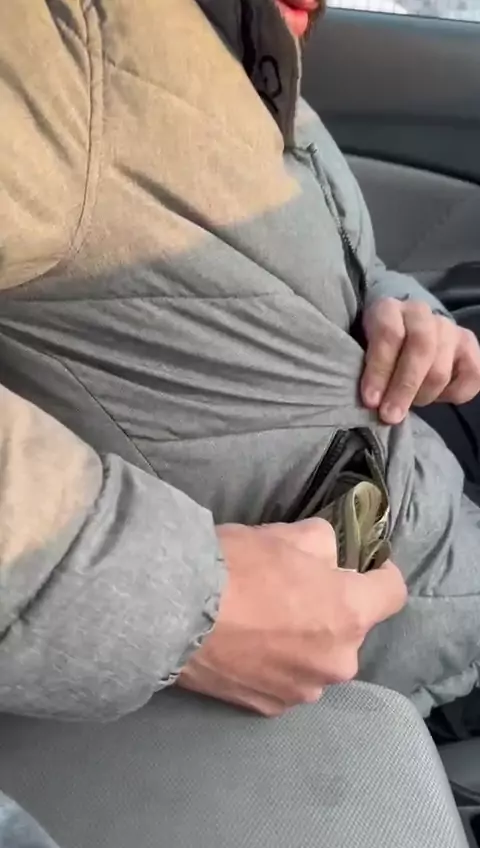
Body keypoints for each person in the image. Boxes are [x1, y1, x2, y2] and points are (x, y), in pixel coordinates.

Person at [2, 0, 480, 727]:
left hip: (435, 550)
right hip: (370, 691)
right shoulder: (53, 39)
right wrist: (185, 605)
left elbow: (337, 252)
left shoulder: (242, 32)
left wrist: (397, 303)